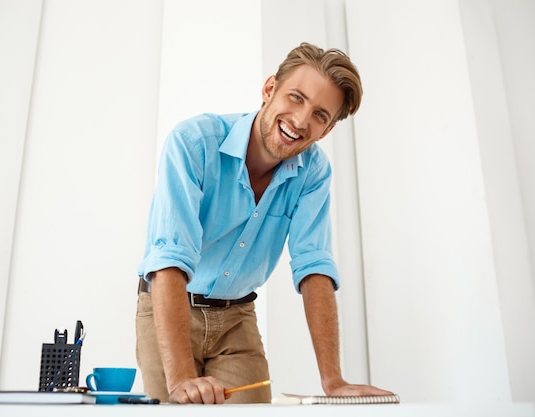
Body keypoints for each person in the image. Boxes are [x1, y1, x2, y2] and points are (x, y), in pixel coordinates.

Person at [136, 42, 392, 404]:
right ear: (269, 88)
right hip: (170, 305)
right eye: (296, 97)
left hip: (237, 318)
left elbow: (313, 264)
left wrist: (332, 380)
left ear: (328, 130)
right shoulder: (194, 143)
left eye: (320, 115)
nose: (301, 121)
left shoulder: (314, 173)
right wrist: (179, 380)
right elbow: (169, 259)